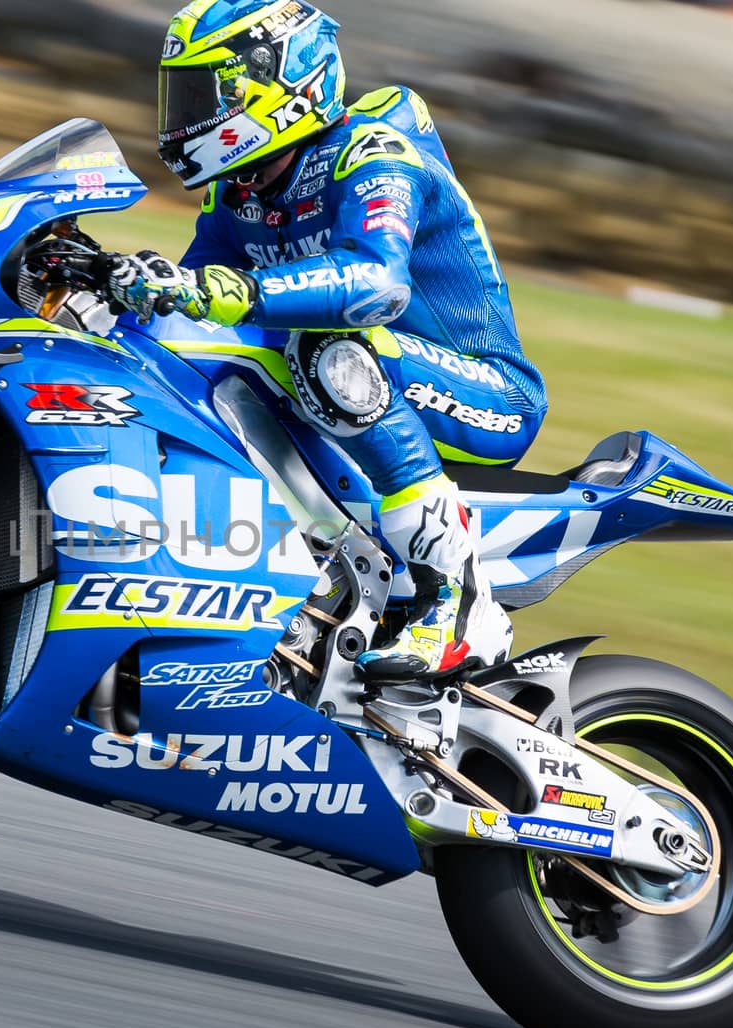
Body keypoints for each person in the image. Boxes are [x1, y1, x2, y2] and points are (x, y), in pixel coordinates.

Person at [107, 0, 547, 679]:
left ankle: (456, 603)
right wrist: (123, 287)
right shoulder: (237, 195)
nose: (185, 116)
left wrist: (244, 292)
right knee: (198, 359)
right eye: (181, 94)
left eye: (204, 93)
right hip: (369, 379)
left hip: (485, 387)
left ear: (281, 81)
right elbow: (192, 308)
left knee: (328, 351)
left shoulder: (372, 157)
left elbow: (379, 283)